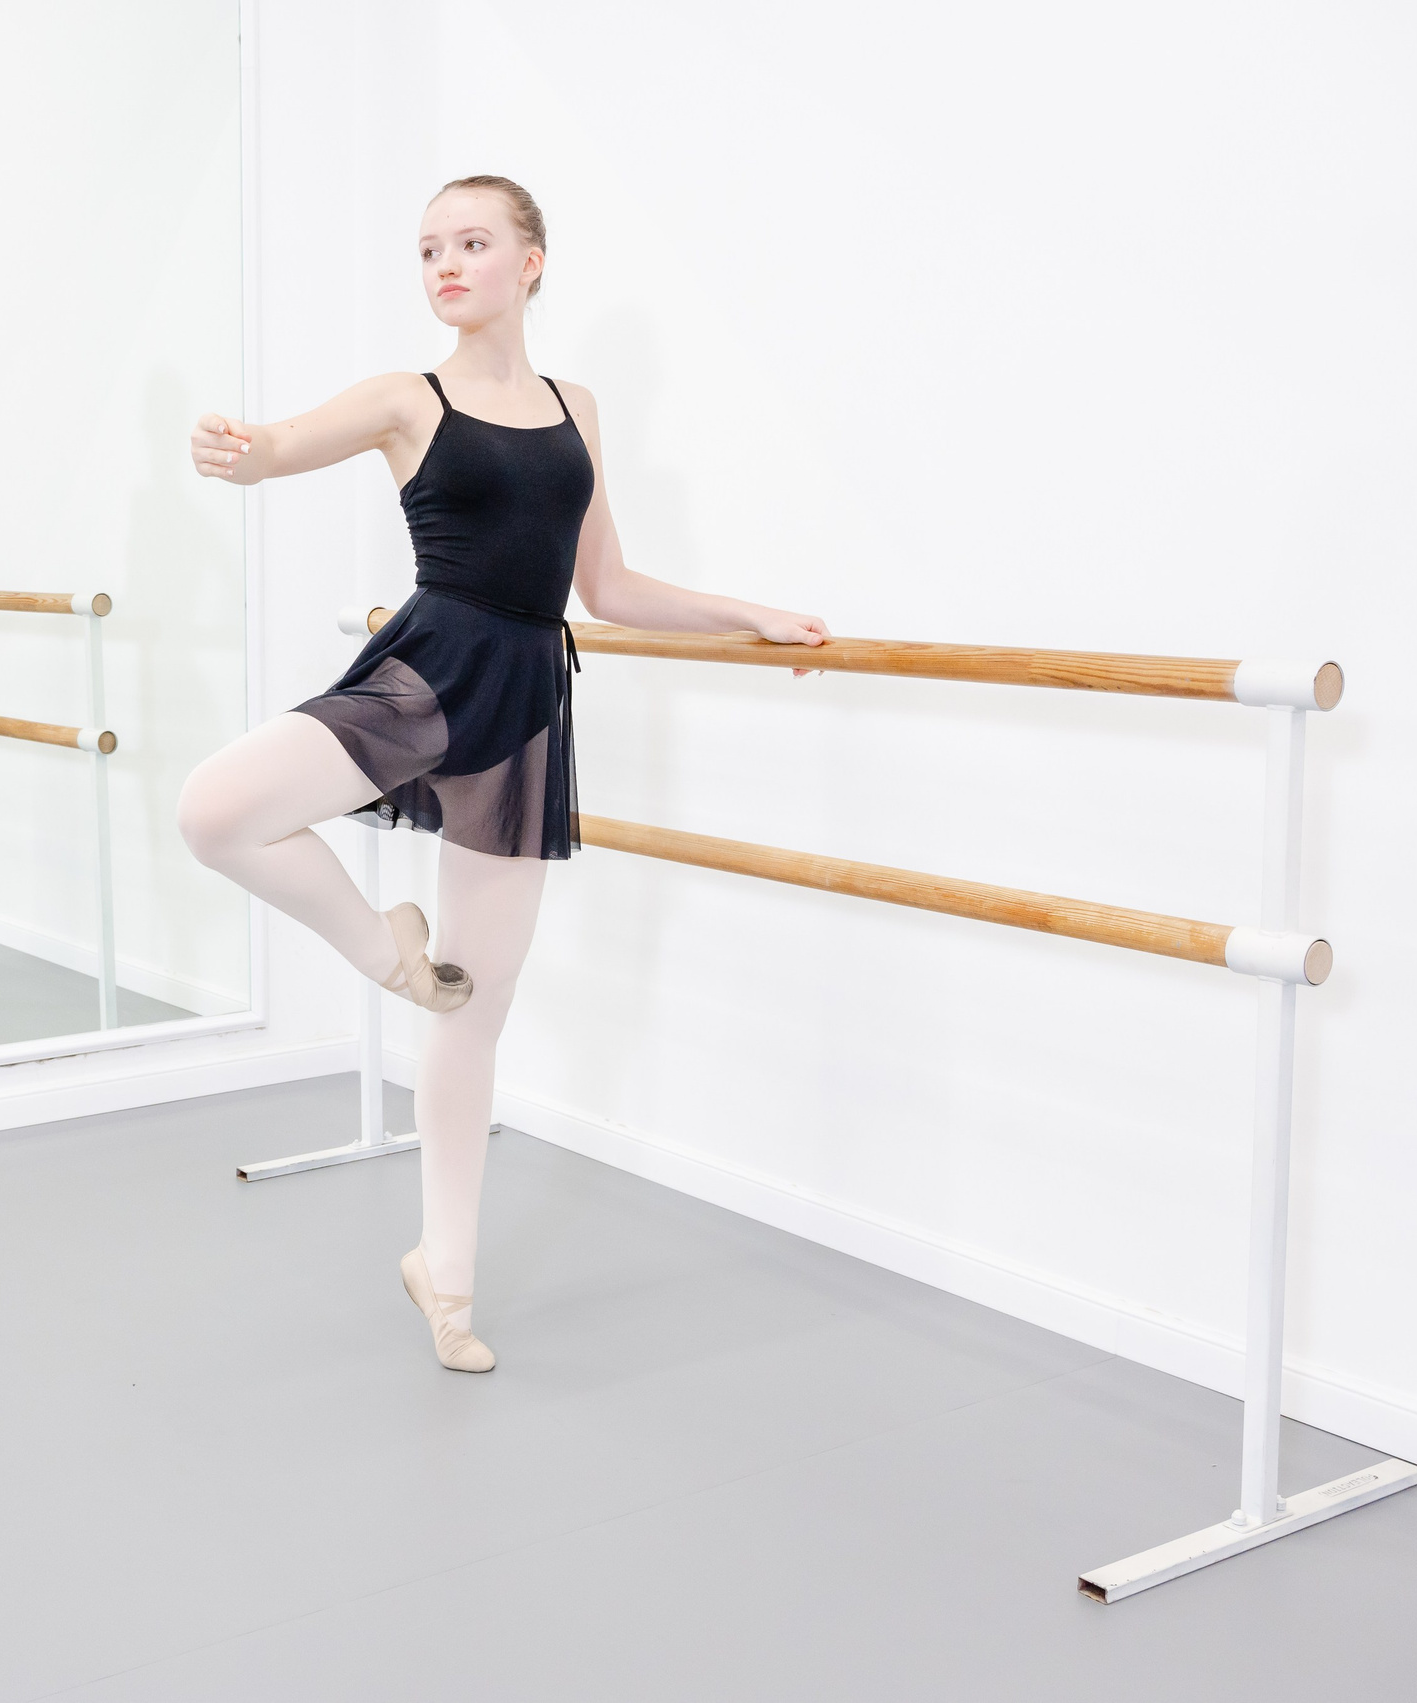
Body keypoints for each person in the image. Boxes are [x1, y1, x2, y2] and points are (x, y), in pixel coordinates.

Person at [179, 176, 829, 1372]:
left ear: (530, 262)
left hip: (525, 697)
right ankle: (387, 952)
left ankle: (448, 1276)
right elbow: (276, 449)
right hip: (430, 666)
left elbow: (610, 589)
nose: (445, 263)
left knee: (477, 1007)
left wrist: (752, 616)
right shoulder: (402, 397)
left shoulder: (577, 405)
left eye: (472, 243)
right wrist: (236, 447)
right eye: (429, 246)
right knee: (216, 808)